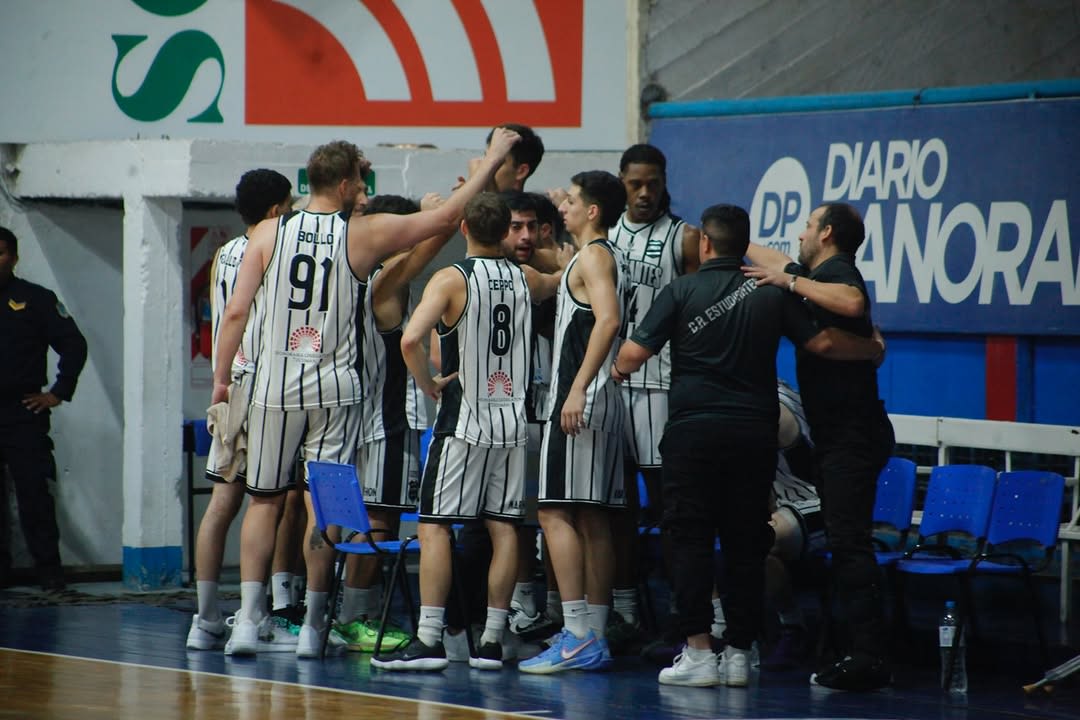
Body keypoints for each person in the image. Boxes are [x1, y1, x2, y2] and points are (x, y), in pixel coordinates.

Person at [213, 130, 520, 659]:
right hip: (336, 389)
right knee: (322, 505)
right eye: (362, 176)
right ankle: (313, 626)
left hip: (274, 386)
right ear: (349, 181)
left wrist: (221, 379)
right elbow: (445, 223)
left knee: (263, 502)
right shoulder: (361, 233)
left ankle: (247, 621)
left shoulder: (267, 231)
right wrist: (492, 159)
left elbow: (237, 311)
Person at [611, 204, 884, 688]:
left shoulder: (682, 290)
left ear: (704, 246)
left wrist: (612, 368)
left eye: (806, 227)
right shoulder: (771, 293)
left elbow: (632, 357)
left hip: (696, 433)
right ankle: (740, 652)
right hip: (754, 433)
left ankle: (699, 651)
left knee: (691, 540)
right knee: (747, 542)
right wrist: (871, 349)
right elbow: (820, 343)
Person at [374, 192, 559, 672]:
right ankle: (493, 640)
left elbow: (412, 339)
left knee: (435, 524)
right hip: (513, 424)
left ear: (462, 230)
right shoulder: (527, 278)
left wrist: (428, 383)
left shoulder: (451, 279)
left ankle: (430, 637)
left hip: (464, 422)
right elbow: (564, 278)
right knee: (504, 529)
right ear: (506, 233)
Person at [743, 202, 895, 691]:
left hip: (854, 437)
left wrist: (790, 284)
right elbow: (770, 258)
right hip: (836, 437)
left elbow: (852, 304)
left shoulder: (837, 273)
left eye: (808, 226)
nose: (800, 233)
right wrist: (719, 238)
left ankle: (869, 656)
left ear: (827, 233)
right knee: (845, 541)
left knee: (851, 544)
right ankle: (853, 648)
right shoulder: (815, 274)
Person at [333, 192, 454, 654]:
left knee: (359, 521)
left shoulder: (353, 274)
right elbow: (429, 241)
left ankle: (343, 611)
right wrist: (442, 213)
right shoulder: (385, 277)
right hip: (385, 423)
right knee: (376, 521)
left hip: (354, 417)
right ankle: (354, 617)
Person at [518, 171, 628, 675]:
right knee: (591, 518)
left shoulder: (595, 256)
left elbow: (608, 320)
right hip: (598, 400)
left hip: (580, 400)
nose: (563, 206)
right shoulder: (591, 257)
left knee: (554, 512)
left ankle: (578, 632)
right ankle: (595, 633)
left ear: (594, 212)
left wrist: (578, 387)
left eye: (573, 200)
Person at [186, 169, 297, 651]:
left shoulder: (222, 254)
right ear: (276, 211)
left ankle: (205, 618)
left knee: (221, 505)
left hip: (231, 384)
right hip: (268, 385)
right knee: (268, 503)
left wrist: (220, 378)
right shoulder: (276, 249)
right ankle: (255, 618)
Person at [605, 144, 701, 646]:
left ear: (665, 182)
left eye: (654, 183)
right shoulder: (605, 236)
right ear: (622, 181)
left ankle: (682, 616)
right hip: (611, 387)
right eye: (635, 183)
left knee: (671, 511)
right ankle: (624, 611)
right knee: (614, 506)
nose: (645, 193)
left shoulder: (684, 239)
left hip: (662, 387)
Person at [0, 226, 87, 592]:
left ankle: (49, 570)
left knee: (34, 493)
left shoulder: (34, 299)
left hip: (22, 411)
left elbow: (74, 344)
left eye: (1, 252)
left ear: (15, 258)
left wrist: (58, 392)